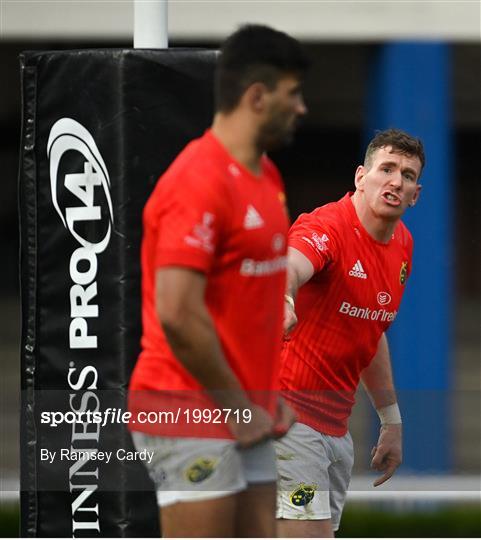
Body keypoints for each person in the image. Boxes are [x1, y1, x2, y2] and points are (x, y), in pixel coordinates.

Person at [128, 25, 309, 537]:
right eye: (292, 93)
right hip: (183, 405)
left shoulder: (266, 176)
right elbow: (178, 315)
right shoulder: (197, 180)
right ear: (257, 96)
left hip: (244, 405)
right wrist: (239, 405)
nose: (302, 108)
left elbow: (250, 299)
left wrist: (264, 396)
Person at [275, 129, 425, 537]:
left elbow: (370, 330)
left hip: (336, 433)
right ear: (361, 176)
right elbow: (290, 266)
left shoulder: (403, 246)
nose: (396, 180)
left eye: (407, 175)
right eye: (387, 169)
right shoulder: (327, 226)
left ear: (415, 194)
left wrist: (391, 421)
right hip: (287, 420)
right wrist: (284, 298)